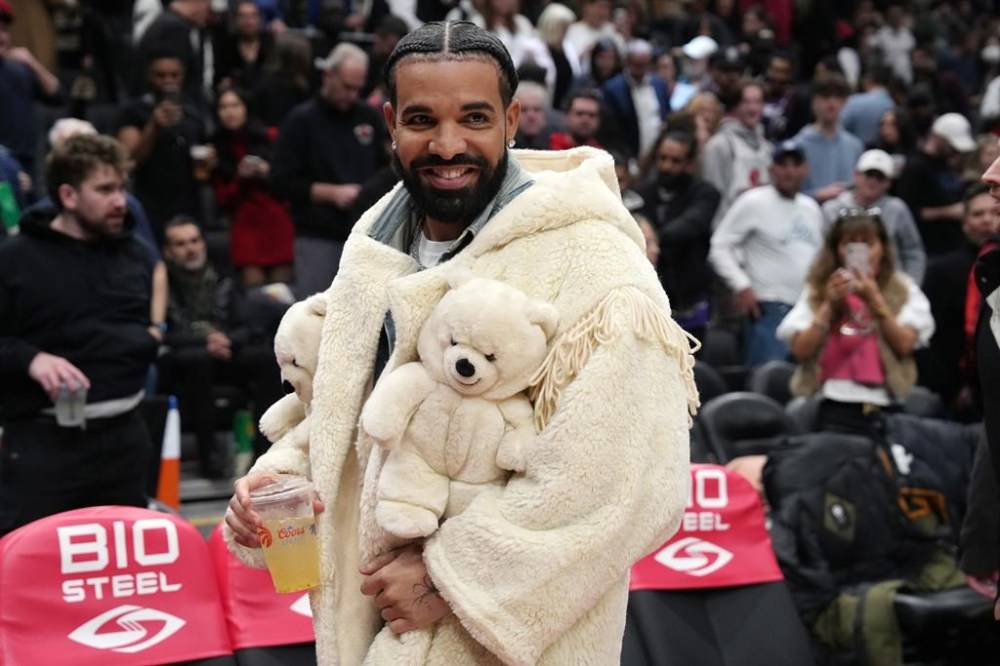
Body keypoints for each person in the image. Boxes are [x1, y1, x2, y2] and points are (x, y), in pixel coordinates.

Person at [224, 21, 695, 665]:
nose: (448, 145)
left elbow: (628, 482)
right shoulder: (376, 240)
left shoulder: (594, 262)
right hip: (370, 635)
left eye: (474, 118)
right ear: (390, 124)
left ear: (512, 120)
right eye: (422, 120)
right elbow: (348, 414)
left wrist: (449, 578)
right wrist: (279, 481)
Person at [0, 134, 159, 535]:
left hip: (125, 436)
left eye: (121, 188)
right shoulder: (15, 259)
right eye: (105, 190)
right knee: (31, 559)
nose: (120, 201)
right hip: (44, 443)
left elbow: (138, 322)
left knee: (126, 561)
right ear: (68, 195)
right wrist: (31, 359)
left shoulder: (135, 254)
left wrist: (152, 336)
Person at [776, 210, 933, 439]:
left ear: (883, 247)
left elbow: (904, 345)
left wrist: (876, 301)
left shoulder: (903, 289)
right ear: (836, 250)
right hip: (834, 403)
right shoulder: (818, 290)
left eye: (868, 243)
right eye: (850, 244)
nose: (861, 252)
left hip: (887, 404)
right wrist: (829, 306)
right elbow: (800, 350)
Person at [158, 217, 284, 476]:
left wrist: (228, 340)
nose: (190, 249)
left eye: (195, 241)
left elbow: (246, 323)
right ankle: (210, 458)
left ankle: (264, 453)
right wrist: (206, 341)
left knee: (264, 358)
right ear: (168, 252)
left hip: (225, 351)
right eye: (181, 244)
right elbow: (163, 333)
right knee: (198, 359)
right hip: (187, 359)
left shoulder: (223, 277)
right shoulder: (163, 284)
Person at [270, 42, 387, 298]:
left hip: (366, 235)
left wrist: (368, 192)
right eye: (347, 87)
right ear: (328, 75)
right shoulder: (301, 120)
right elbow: (280, 181)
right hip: (318, 234)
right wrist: (331, 193)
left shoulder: (368, 117)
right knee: (317, 310)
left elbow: (385, 167)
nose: (353, 95)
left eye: (358, 88)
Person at [709, 140, 824, 366]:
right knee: (768, 379)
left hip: (807, 311)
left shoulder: (811, 208)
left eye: (796, 164)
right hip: (769, 310)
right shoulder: (754, 201)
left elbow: (821, 260)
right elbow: (719, 246)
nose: (789, 171)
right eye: (783, 164)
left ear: (806, 169)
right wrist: (741, 285)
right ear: (771, 169)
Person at [917, 184, 1000, 421]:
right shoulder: (941, 271)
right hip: (956, 397)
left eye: (994, 213)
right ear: (964, 223)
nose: (987, 220)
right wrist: (951, 389)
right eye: (978, 214)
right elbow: (927, 335)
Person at [636, 129, 720, 343]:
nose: (666, 166)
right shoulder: (642, 193)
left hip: (690, 301)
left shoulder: (705, 193)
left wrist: (652, 237)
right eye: (662, 158)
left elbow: (691, 224)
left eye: (675, 161)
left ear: (690, 163)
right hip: (650, 301)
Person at [116, 51, 210, 240]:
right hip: (150, 202)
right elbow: (128, 162)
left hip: (189, 202)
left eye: (174, 75)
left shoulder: (193, 113)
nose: (168, 81)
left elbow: (203, 159)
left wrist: (209, 161)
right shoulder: (133, 112)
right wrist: (154, 126)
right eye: (161, 75)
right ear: (149, 76)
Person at [210, 86, 294, 288]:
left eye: (235, 105)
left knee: (282, 294)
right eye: (223, 107)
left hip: (277, 220)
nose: (230, 112)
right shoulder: (216, 148)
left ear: (246, 108)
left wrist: (268, 172)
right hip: (245, 226)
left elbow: (290, 182)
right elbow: (222, 200)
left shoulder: (271, 137)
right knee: (254, 294)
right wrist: (239, 178)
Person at [821, 149, 926, 284]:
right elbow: (824, 253)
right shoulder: (832, 209)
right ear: (856, 175)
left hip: (890, 284)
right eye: (869, 174)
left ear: (888, 183)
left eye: (880, 177)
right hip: (842, 283)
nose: (873, 181)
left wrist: (911, 285)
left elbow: (913, 251)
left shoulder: (897, 209)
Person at [896, 112, 976, 257]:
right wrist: (949, 212)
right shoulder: (916, 167)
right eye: (951, 145)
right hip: (930, 247)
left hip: (952, 244)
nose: (955, 151)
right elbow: (908, 212)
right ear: (938, 138)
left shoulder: (946, 163)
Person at [0, 0, 60, 183]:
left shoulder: (18, 69)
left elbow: (56, 95)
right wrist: (8, 168)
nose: (2, 37)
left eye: (5, 30)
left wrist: (32, 63)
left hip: (28, 161)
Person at [701, 78, 771, 225]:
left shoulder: (766, 146)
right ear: (735, 106)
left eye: (758, 102)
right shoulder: (719, 145)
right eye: (747, 102)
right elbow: (713, 198)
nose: (753, 109)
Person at [792, 73, 864, 204]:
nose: (832, 103)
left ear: (845, 103)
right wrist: (818, 194)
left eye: (838, 97)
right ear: (814, 102)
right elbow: (789, 194)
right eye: (826, 97)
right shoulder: (799, 145)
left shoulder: (855, 145)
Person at [600, 38, 670, 160]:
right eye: (637, 65)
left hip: (658, 155)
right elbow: (611, 130)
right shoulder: (612, 89)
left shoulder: (659, 84)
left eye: (645, 65)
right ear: (627, 62)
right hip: (629, 156)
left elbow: (666, 116)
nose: (641, 70)